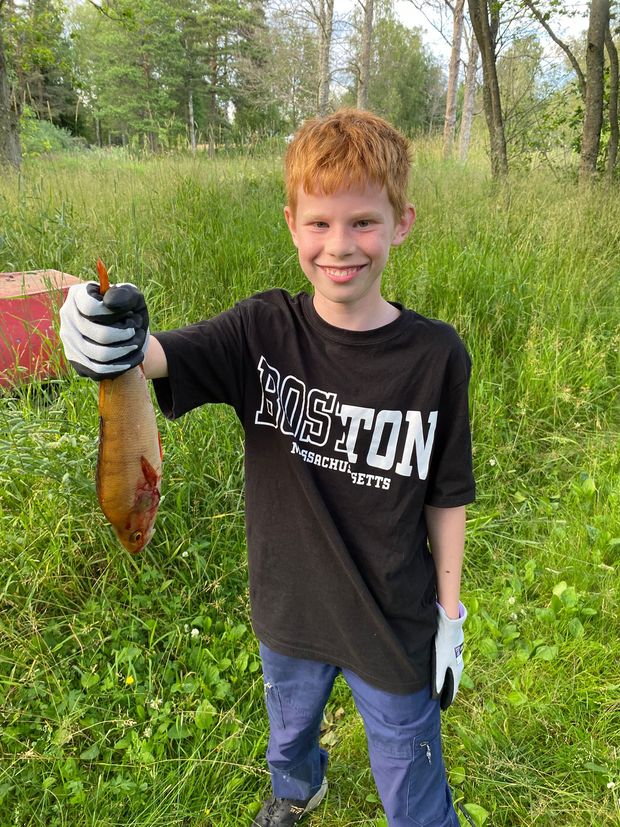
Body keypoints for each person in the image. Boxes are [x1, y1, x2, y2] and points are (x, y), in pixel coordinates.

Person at [59, 109, 475, 827]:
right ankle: (296, 789)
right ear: (291, 224)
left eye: (363, 222)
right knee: (289, 733)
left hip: (392, 623)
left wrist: (450, 613)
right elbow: (161, 355)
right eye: (319, 223)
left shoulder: (436, 356)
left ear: (402, 222)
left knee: (413, 780)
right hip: (288, 611)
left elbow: (447, 493)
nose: (339, 245)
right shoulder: (261, 331)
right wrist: (109, 333)